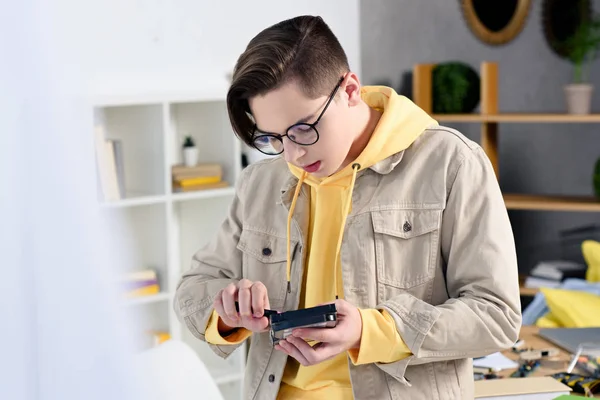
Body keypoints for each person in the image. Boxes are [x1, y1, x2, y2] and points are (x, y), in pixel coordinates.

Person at [174, 15, 522, 400]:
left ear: (351, 90)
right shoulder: (261, 182)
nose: (292, 153)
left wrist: (369, 331)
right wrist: (228, 309)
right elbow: (192, 290)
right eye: (273, 138)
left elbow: (496, 315)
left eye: (303, 129)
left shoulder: (451, 164)